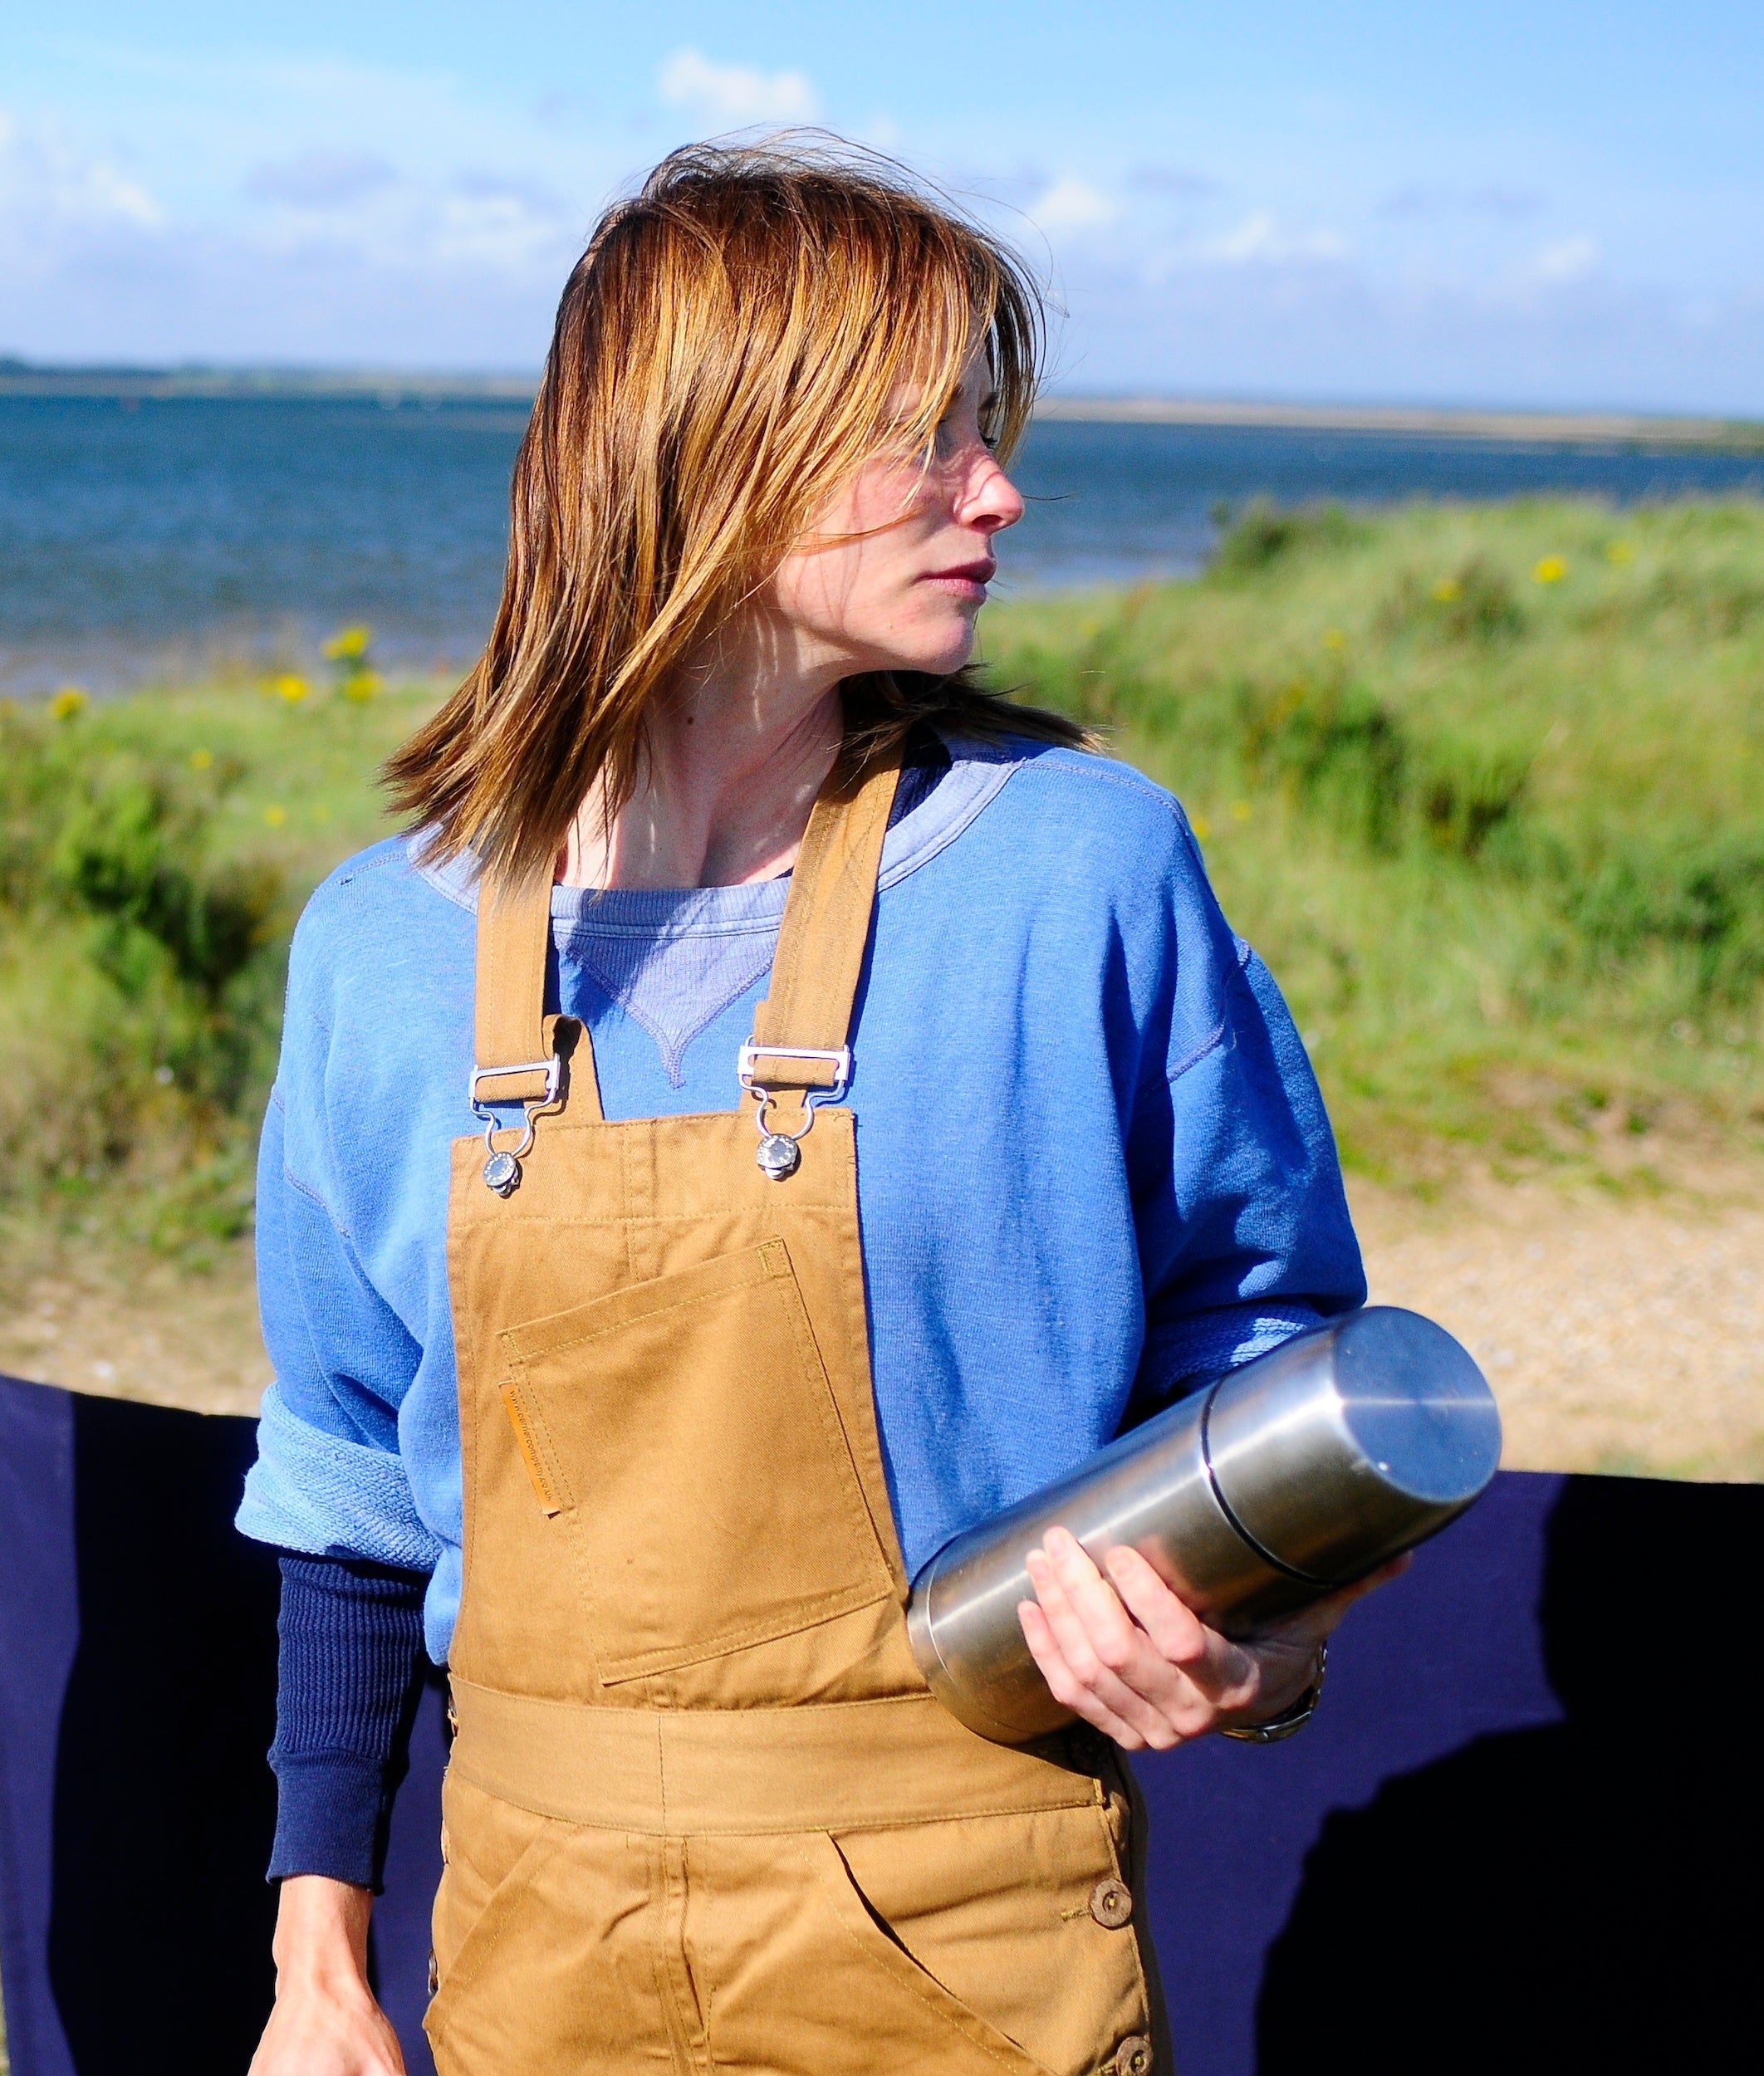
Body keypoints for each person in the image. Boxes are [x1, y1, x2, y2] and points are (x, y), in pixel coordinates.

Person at [239, 143, 1387, 2076]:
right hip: (529, 1944)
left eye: (984, 436)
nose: (996, 493)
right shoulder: (373, 949)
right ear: (717, 451)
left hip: (970, 1949)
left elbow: (1269, 1356)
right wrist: (317, 1963)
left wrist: (1255, 1657)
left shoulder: (1082, 873)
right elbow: (345, 1481)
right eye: (927, 439)